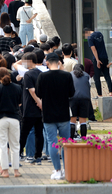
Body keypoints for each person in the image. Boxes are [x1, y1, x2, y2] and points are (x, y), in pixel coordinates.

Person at [35, 52, 75, 180]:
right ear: (59, 62)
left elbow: (38, 93)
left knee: (53, 142)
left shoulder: (42, 76)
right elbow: (72, 93)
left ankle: (57, 170)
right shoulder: (67, 76)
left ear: (47, 63)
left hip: (48, 114)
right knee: (65, 143)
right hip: (64, 114)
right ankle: (67, 169)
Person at [0, 67, 22, 178]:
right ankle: (16, 171)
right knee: (15, 145)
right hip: (14, 118)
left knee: (2, 145)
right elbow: (19, 104)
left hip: (0, 118)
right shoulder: (18, 88)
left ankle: (4, 171)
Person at [18, 52, 45, 165]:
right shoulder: (41, 73)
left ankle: (19, 153)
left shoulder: (28, 74)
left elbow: (32, 91)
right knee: (39, 133)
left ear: (29, 62)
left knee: (24, 132)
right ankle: (38, 156)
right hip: (40, 110)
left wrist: (39, 103)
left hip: (29, 108)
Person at [88, 31, 112, 97]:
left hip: (97, 59)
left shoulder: (90, 38)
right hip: (105, 57)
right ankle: (110, 92)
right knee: (107, 76)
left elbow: (94, 50)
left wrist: (97, 60)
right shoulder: (100, 34)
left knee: (96, 77)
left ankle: (100, 95)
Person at [70, 64, 91, 139]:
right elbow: (89, 86)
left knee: (72, 119)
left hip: (72, 98)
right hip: (85, 99)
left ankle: (71, 138)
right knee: (83, 121)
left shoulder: (70, 74)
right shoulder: (87, 75)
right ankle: (83, 138)